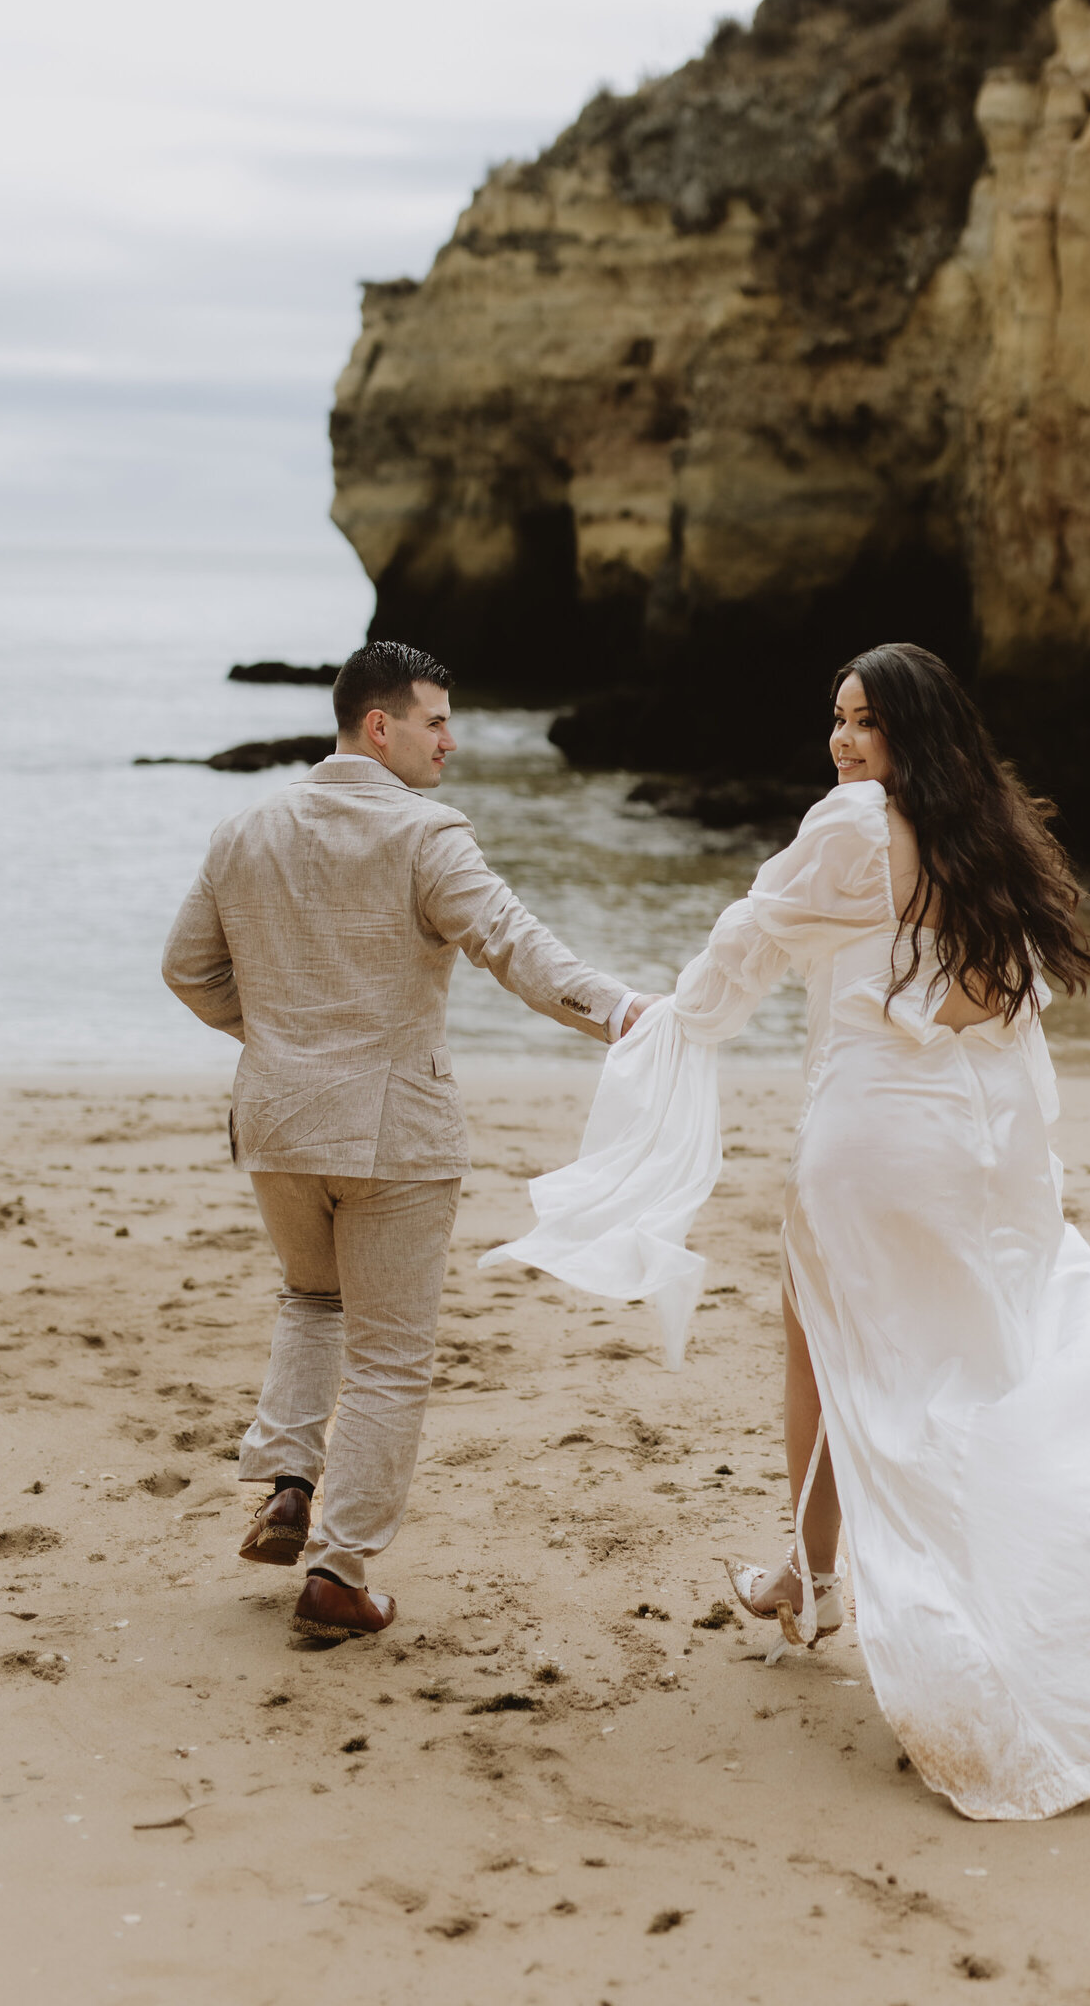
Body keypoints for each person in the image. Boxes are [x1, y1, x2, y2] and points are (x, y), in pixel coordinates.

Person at [490, 641, 1090, 1820]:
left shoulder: (856, 827)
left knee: (879, 1378)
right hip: (976, 1142)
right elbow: (1007, 991)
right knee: (848, 1344)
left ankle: (895, 1602)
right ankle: (803, 1577)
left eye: (867, 722)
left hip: (870, 1145)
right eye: (837, 719)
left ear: (913, 732)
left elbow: (750, 934)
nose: (846, 742)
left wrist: (666, 1022)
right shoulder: (984, 828)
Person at [163, 640, 648, 1640]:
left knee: (310, 1296)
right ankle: (338, 1575)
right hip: (393, 1134)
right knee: (389, 1361)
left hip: (278, 1124)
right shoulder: (425, 834)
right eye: (435, 721)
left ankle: (289, 1480)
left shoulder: (245, 829)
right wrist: (624, 1013)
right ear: (378, 726)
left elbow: (186, 969)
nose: (451, 742)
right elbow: (514, 946)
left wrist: (282, 1044)